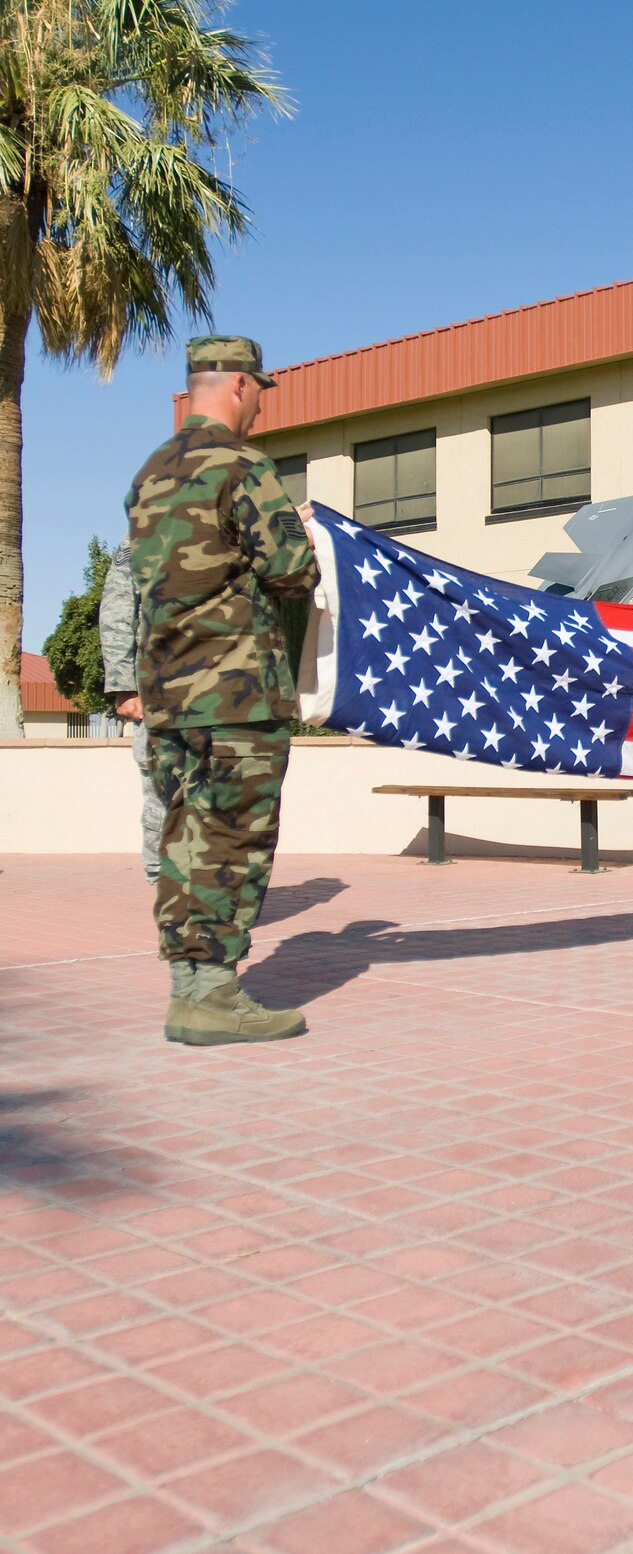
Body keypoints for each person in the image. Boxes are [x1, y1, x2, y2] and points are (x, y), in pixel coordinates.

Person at [127, 335, 319, 1046]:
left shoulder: (150, 473)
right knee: (233, 840)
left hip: (169, 696)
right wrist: (298, 535)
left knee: (185, 838)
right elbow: (290, 570)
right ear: (239, 386)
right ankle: (212, 995)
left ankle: (190, 988)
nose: (261, 407)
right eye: (261, 392)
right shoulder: (243, 465)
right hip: (237, 692)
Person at [99, 537, 165, 883]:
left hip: (228, 691)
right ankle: (163, 882)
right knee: (160, 789)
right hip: (161, 690)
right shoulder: (144, 532)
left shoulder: (237, 523)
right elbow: (118, 608)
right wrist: (124, 686)